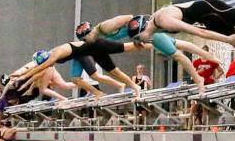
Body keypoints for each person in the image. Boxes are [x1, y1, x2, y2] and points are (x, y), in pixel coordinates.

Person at [129, 0, 235, 86]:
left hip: (211, 9)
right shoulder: (152, 27)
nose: (139, 43)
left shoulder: (164, 21)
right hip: (206, 18)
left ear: (142, 31)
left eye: (137, 38)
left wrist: (227, 39)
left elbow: (199, 32)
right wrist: (230, 40)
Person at [76, 16, 217, 91]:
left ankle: (198, 79)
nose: (86, 42)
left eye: (85, 39)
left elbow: (130, 18)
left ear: (89, 33)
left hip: (146, 32)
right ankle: (210, 57)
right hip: (144, 33)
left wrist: (136, 37)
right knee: (179, 44)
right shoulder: (100, 32)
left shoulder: (105, 27)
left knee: (177, 55)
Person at [16, 40, 144, 96]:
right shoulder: (48, 57)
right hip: (76, 56)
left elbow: (39, 69)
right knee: (75, 79)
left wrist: (24, 76)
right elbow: (37, 73)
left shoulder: (55, 54)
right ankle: (98, 93)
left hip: (84, 52)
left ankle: (120, 84)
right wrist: (25, 83)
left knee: (95, 76)